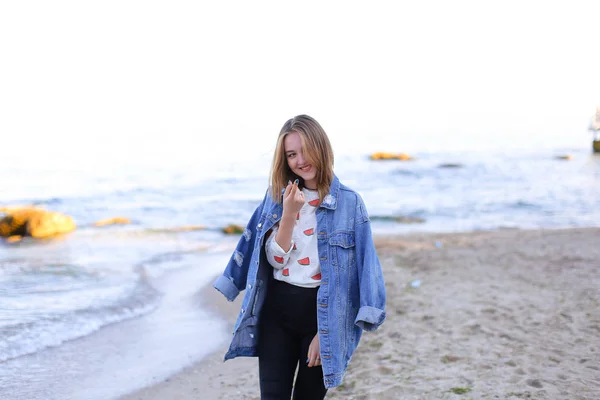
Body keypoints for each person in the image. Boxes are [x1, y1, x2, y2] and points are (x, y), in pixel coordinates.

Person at [213, 114, 386, 399]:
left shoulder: (350, 204)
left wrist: (327, 332)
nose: (300, 160)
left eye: (305, 150)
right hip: (276, 315)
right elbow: (275, 261)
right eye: (292, 154)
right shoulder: (276, 197)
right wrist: (290, 214)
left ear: (322, 148)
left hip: (321, 318)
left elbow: (365, 270)